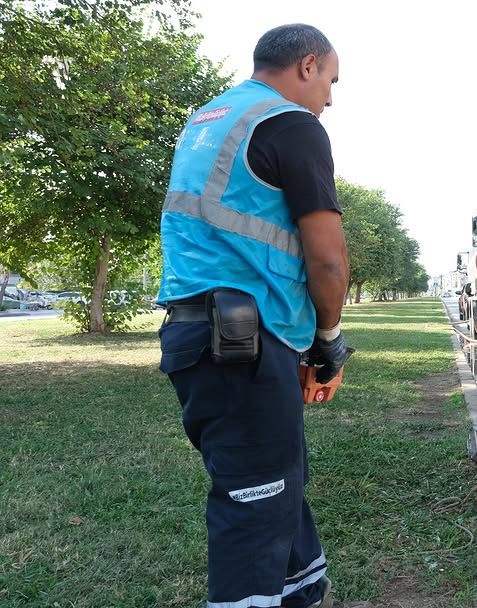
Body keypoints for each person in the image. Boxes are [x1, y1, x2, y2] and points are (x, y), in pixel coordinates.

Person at [157, 24, 354, 607]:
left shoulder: (207, 120)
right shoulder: (292, 125)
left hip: (203, 336)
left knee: (274, 485)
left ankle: (303, 593)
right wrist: (328, 342)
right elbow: (327, 257)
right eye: (331, 81)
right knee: (257, 503)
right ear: (307, 65)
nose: (331, 99)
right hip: (243, 343)